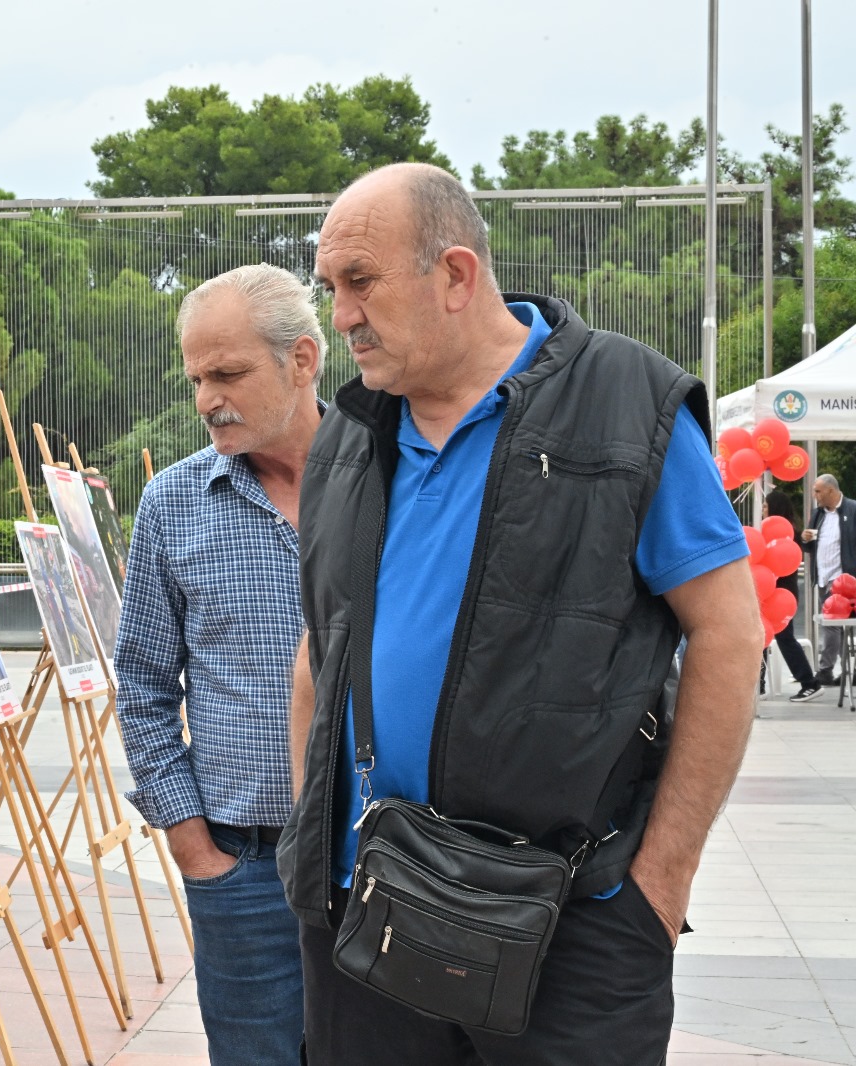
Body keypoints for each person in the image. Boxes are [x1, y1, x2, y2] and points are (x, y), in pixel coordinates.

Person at [284, 163, 760, 1064]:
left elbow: (731, 633)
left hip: (567, 925)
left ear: (456, 275)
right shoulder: (350, 431)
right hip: (365, 916)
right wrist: (315, 833)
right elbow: (323, 646)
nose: (339, 315)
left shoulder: (628, 402)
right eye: (330, 288)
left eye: (360, 282)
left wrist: (659, 886)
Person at [115, 262, 325, 1066]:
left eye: (228, 373)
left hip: (385, 857)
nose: (207, 399)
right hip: (244, 869)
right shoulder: (173, 504)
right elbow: (141, 686)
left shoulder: (394, 479)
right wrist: (195, 848)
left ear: (302, 360)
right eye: (197, 376)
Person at [802, 474, 856, 686]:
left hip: (846, 581)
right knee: (836, 627)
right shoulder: (818, 514)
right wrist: (805, 540)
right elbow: (811, 546)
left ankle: (826, 670)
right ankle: (843, 670)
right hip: (824, 579)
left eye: (818, 491)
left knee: (837, 626)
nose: (815, 496)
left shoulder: (852, 510)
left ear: (831, 491)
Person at [766, 491, 821, 701]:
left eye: (765, 506)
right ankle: (761, 684)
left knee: (785, 638)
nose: (762, 510)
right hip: (774, 594)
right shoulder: (779, 534)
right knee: (771, 638)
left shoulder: (787, 535)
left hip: (781, 595)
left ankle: (810, 682)